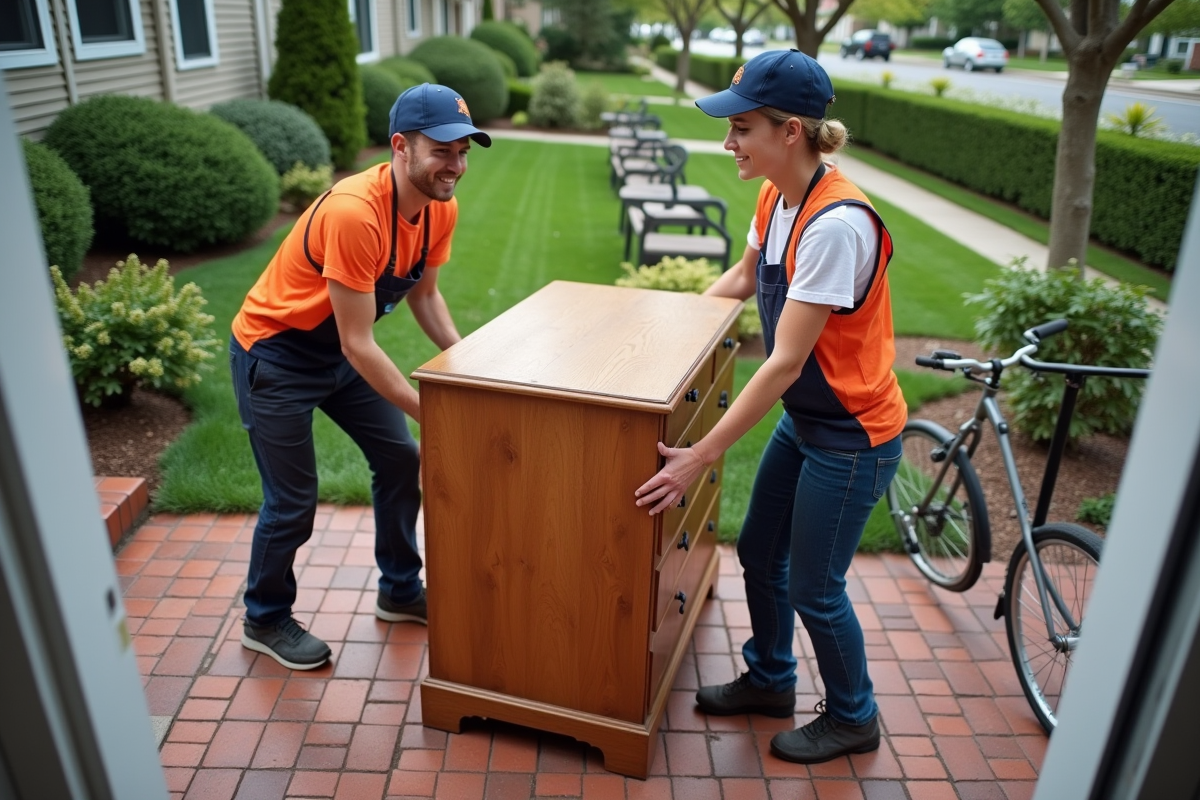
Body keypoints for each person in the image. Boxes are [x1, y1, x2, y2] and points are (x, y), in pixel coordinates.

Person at [634, 50, 906, 764]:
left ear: (791, 131)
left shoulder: (836, 224)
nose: (729, 144)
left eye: (741, 128)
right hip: (811, 421)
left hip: (853, 435)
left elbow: (783, 361)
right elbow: (744, 276)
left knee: (817, 585)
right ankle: (772, 678)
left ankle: (854, 716)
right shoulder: (776, 194)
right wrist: (666, 321)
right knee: (760, 550)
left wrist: (702, 454)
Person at [229, 83, 491, 670]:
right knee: (293, 499)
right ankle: (264, 618)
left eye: (464, 151)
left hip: (337, 354)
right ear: (401, 146)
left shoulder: (437, 208)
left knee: (399, 461)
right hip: (276, 355)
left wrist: (472, 360)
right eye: (442, 150)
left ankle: (399, 590)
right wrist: (437, 409)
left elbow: (426, 297)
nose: (456, 165)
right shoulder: (355, 214)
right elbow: (358, 342)